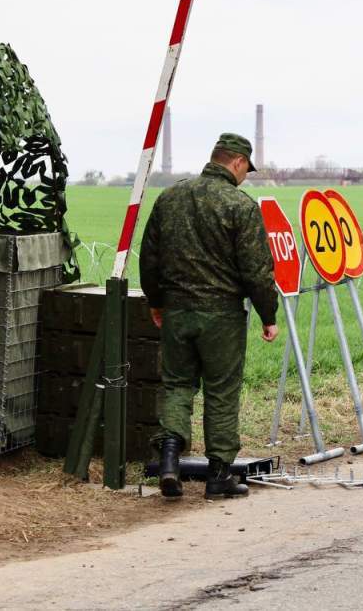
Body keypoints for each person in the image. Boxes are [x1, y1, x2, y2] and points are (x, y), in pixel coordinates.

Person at [139, 132, 279, 499]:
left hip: (177, 313)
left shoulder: (170, 197)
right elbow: (256, 270)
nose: (246, 175)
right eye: (246, 168)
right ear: (236, 162)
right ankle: (218, 475)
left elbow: (149, 258)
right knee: (221, 391)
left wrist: (156, 302)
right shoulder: (240, 206)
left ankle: (169, 461)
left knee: (177, 385)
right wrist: (268, 314)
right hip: (222, 317)